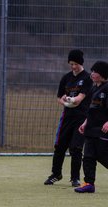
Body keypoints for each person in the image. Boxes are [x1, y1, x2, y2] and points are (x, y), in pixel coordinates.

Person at [44, 49, 92, 187]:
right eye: (71, 64)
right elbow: (59, 97)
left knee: (76, 148)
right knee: (59, 146)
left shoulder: (87, 78)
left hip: (81, 118)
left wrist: (70, 99)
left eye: (75, 64)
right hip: (67, 118)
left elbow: (79, 99)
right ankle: (56, 174)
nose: (73, 66)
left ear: (81, 63)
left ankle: (75, 178)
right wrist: (64, 101)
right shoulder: (66, 78)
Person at [75, 61, 108, 193]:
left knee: (102, 156)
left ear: (103, 74)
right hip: (90, 130)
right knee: (88, 157)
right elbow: (92, 110)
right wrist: (85, 123)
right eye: (92, 71)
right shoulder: (94, 88)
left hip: (102, 130)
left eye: (95, 72)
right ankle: (89, 183)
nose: (92, 74)